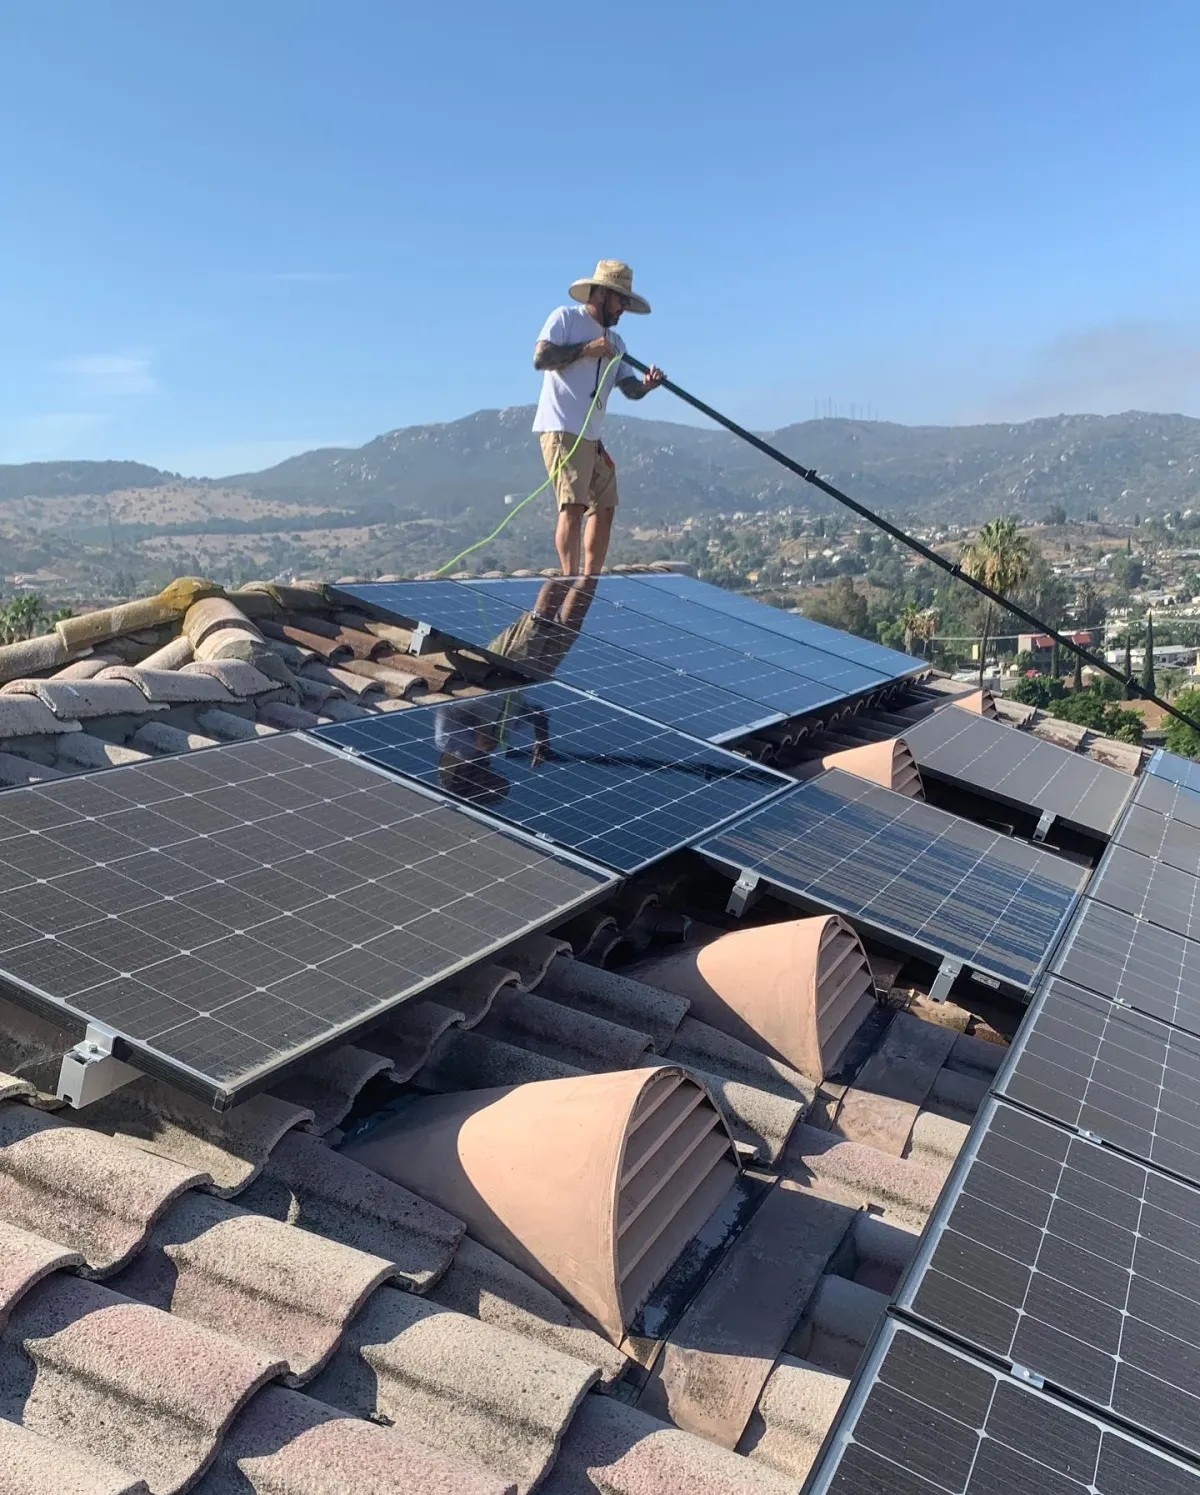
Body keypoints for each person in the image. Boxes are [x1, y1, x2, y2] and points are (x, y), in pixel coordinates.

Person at [532, 260, 665, 576]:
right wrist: (587, 349)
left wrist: (647, 386)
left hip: (591, 436)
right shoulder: (565, 318)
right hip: (563, 429)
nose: (623, 310)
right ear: (603, 295)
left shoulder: (617, 343)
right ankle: (570, 577)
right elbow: (541, 358)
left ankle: (589, 580)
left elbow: (628, 388)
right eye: (621, 301)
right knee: (573, 506)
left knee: (605, 504)